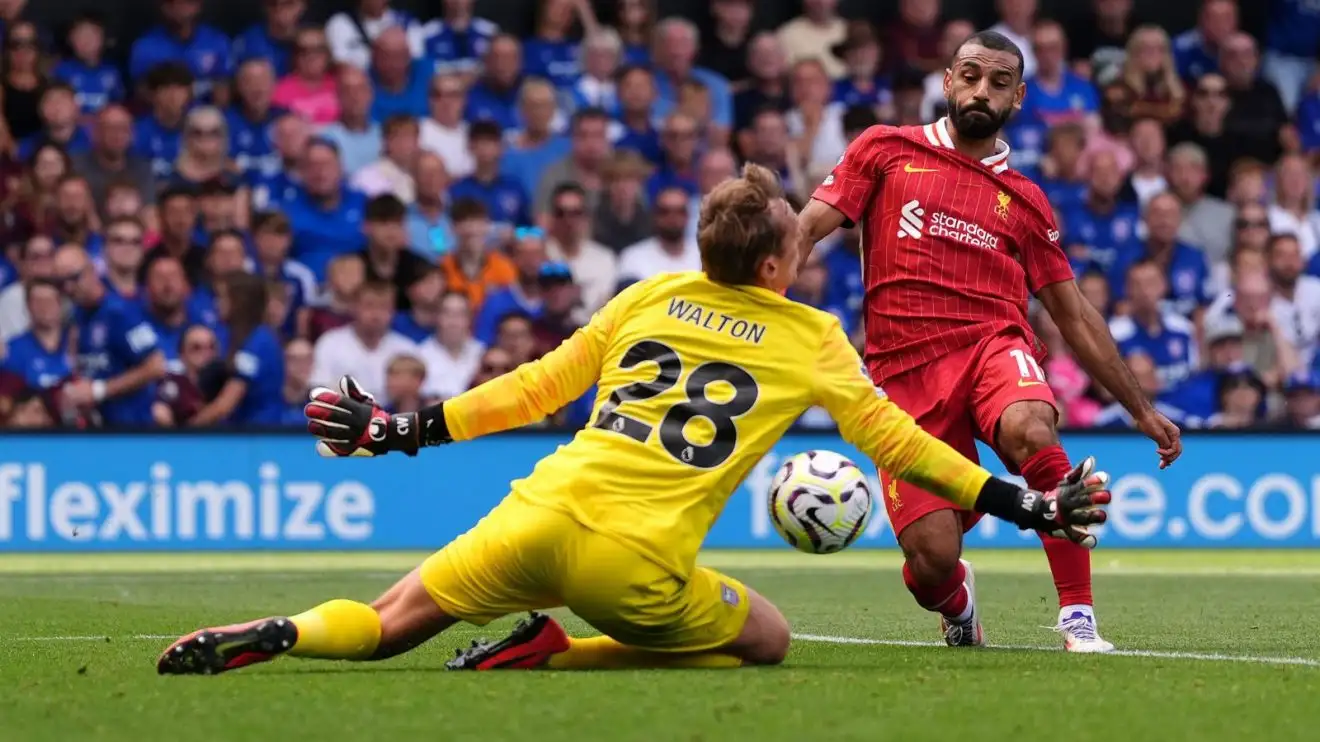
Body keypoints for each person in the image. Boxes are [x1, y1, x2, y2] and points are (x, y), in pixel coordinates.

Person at [156, 163, 1111, 676]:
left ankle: (289, 630)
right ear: (777, 266)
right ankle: (557, 652)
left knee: (387, 620)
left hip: (538, 513)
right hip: (634, 568)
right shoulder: (810, 335)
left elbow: (530, 388)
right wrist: (1023, 507)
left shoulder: (647, 296)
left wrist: (403, 430)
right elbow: (898, 443)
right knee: (769, 637)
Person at [796, 30, 1182, 653]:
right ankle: (958, 602)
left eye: (999, 82)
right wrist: (749, 295)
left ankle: (1078, 618)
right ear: (948, 81)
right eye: (971, 75)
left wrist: (1140, 409)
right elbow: (806, 228)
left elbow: (1074, 315)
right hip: (901, 382)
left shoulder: (1026, 201)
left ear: (1019, 97)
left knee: (1033, 427)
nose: (982, 90)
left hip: (991, 348)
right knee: (931, 560)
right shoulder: (884, 150)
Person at [55, 243, 167, 427]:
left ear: (92, 270)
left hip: (131, 428)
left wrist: (100, 390)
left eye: (74, 278)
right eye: (61, 282)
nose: (68, 287)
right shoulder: (77, 317)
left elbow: (156, 365)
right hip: (98, 429)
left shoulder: (121, 313)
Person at [189, 272, 287, 426]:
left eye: (222, 298)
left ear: (239, 302)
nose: (217, 303)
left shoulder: (258, 342)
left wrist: (185, 432)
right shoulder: (238, 339)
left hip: (260, 437)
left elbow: (226, 404)